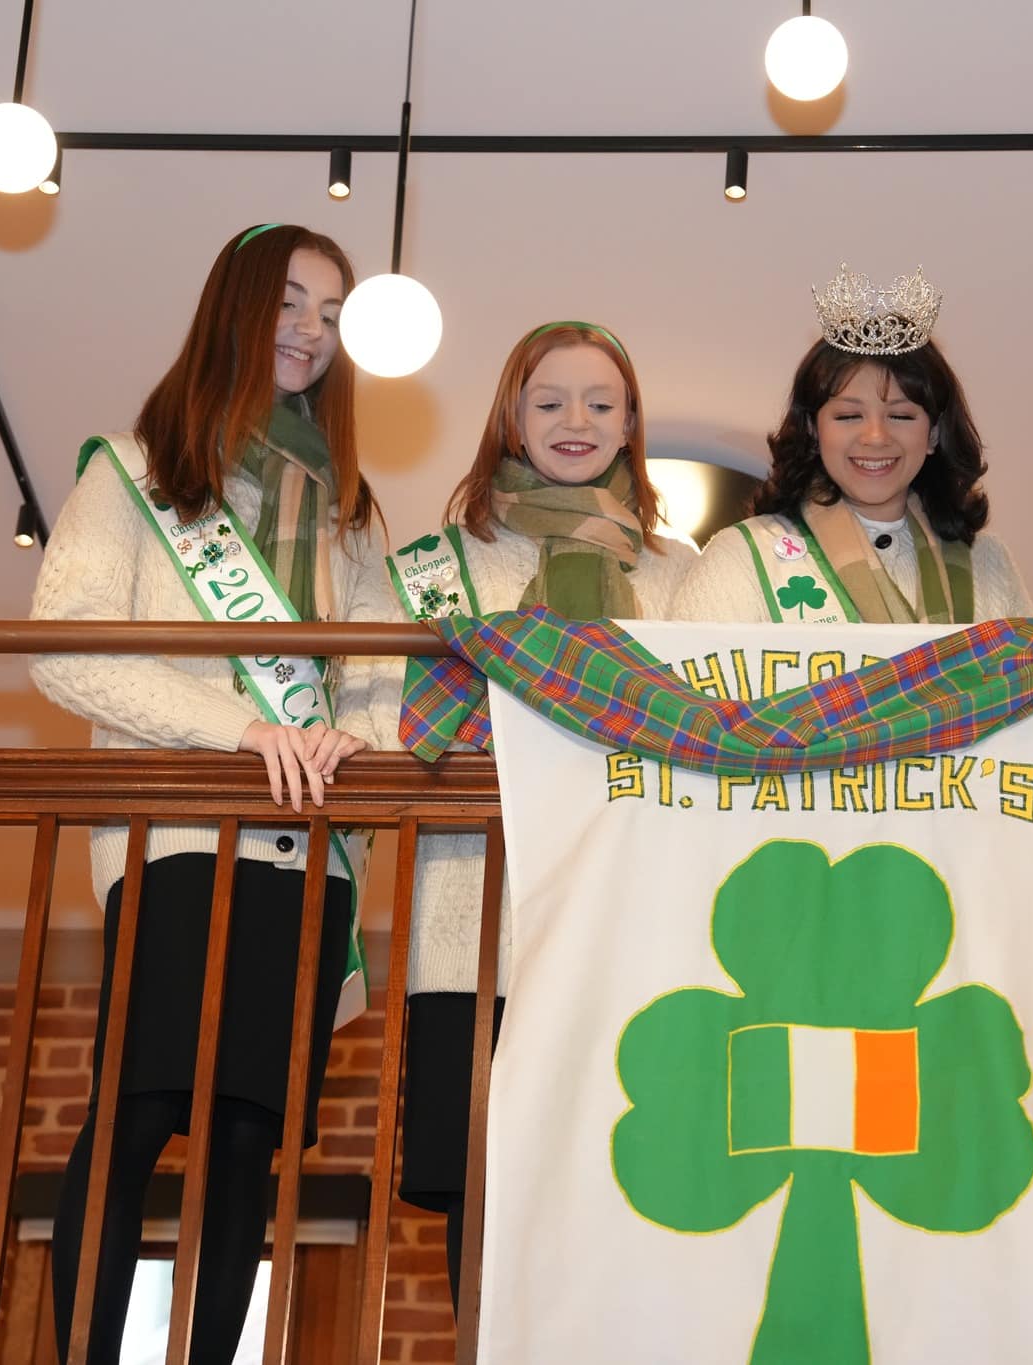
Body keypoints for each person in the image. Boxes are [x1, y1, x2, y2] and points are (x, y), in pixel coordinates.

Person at [29, 223, 388, 1364]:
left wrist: (356, 736)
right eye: (289, 301)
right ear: (234, 304)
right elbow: (66, 645)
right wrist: (241, 729)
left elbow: (379, 674)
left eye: (331, 315)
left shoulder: (349, 509)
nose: (310, 332)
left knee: (246, 1145)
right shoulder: (136, 470)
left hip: (306, 851)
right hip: (179, 834)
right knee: (135, 1115)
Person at [350, 320, 698, 1309]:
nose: (574, 419)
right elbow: (371, 717)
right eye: (548, 400)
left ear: (630, 423)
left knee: (629, 1193)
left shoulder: (680, 572)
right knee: (484, 1200)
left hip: (638, 930)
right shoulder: (429, 567)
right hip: (474, 933)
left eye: (600, 401)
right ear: (510, 416)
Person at [672, 264, 1029, 626]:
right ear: (813, 429)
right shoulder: (743, 557)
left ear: (934, 433)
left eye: (900, 416)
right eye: (848, 416)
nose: (875, 437)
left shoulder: (988, 562)